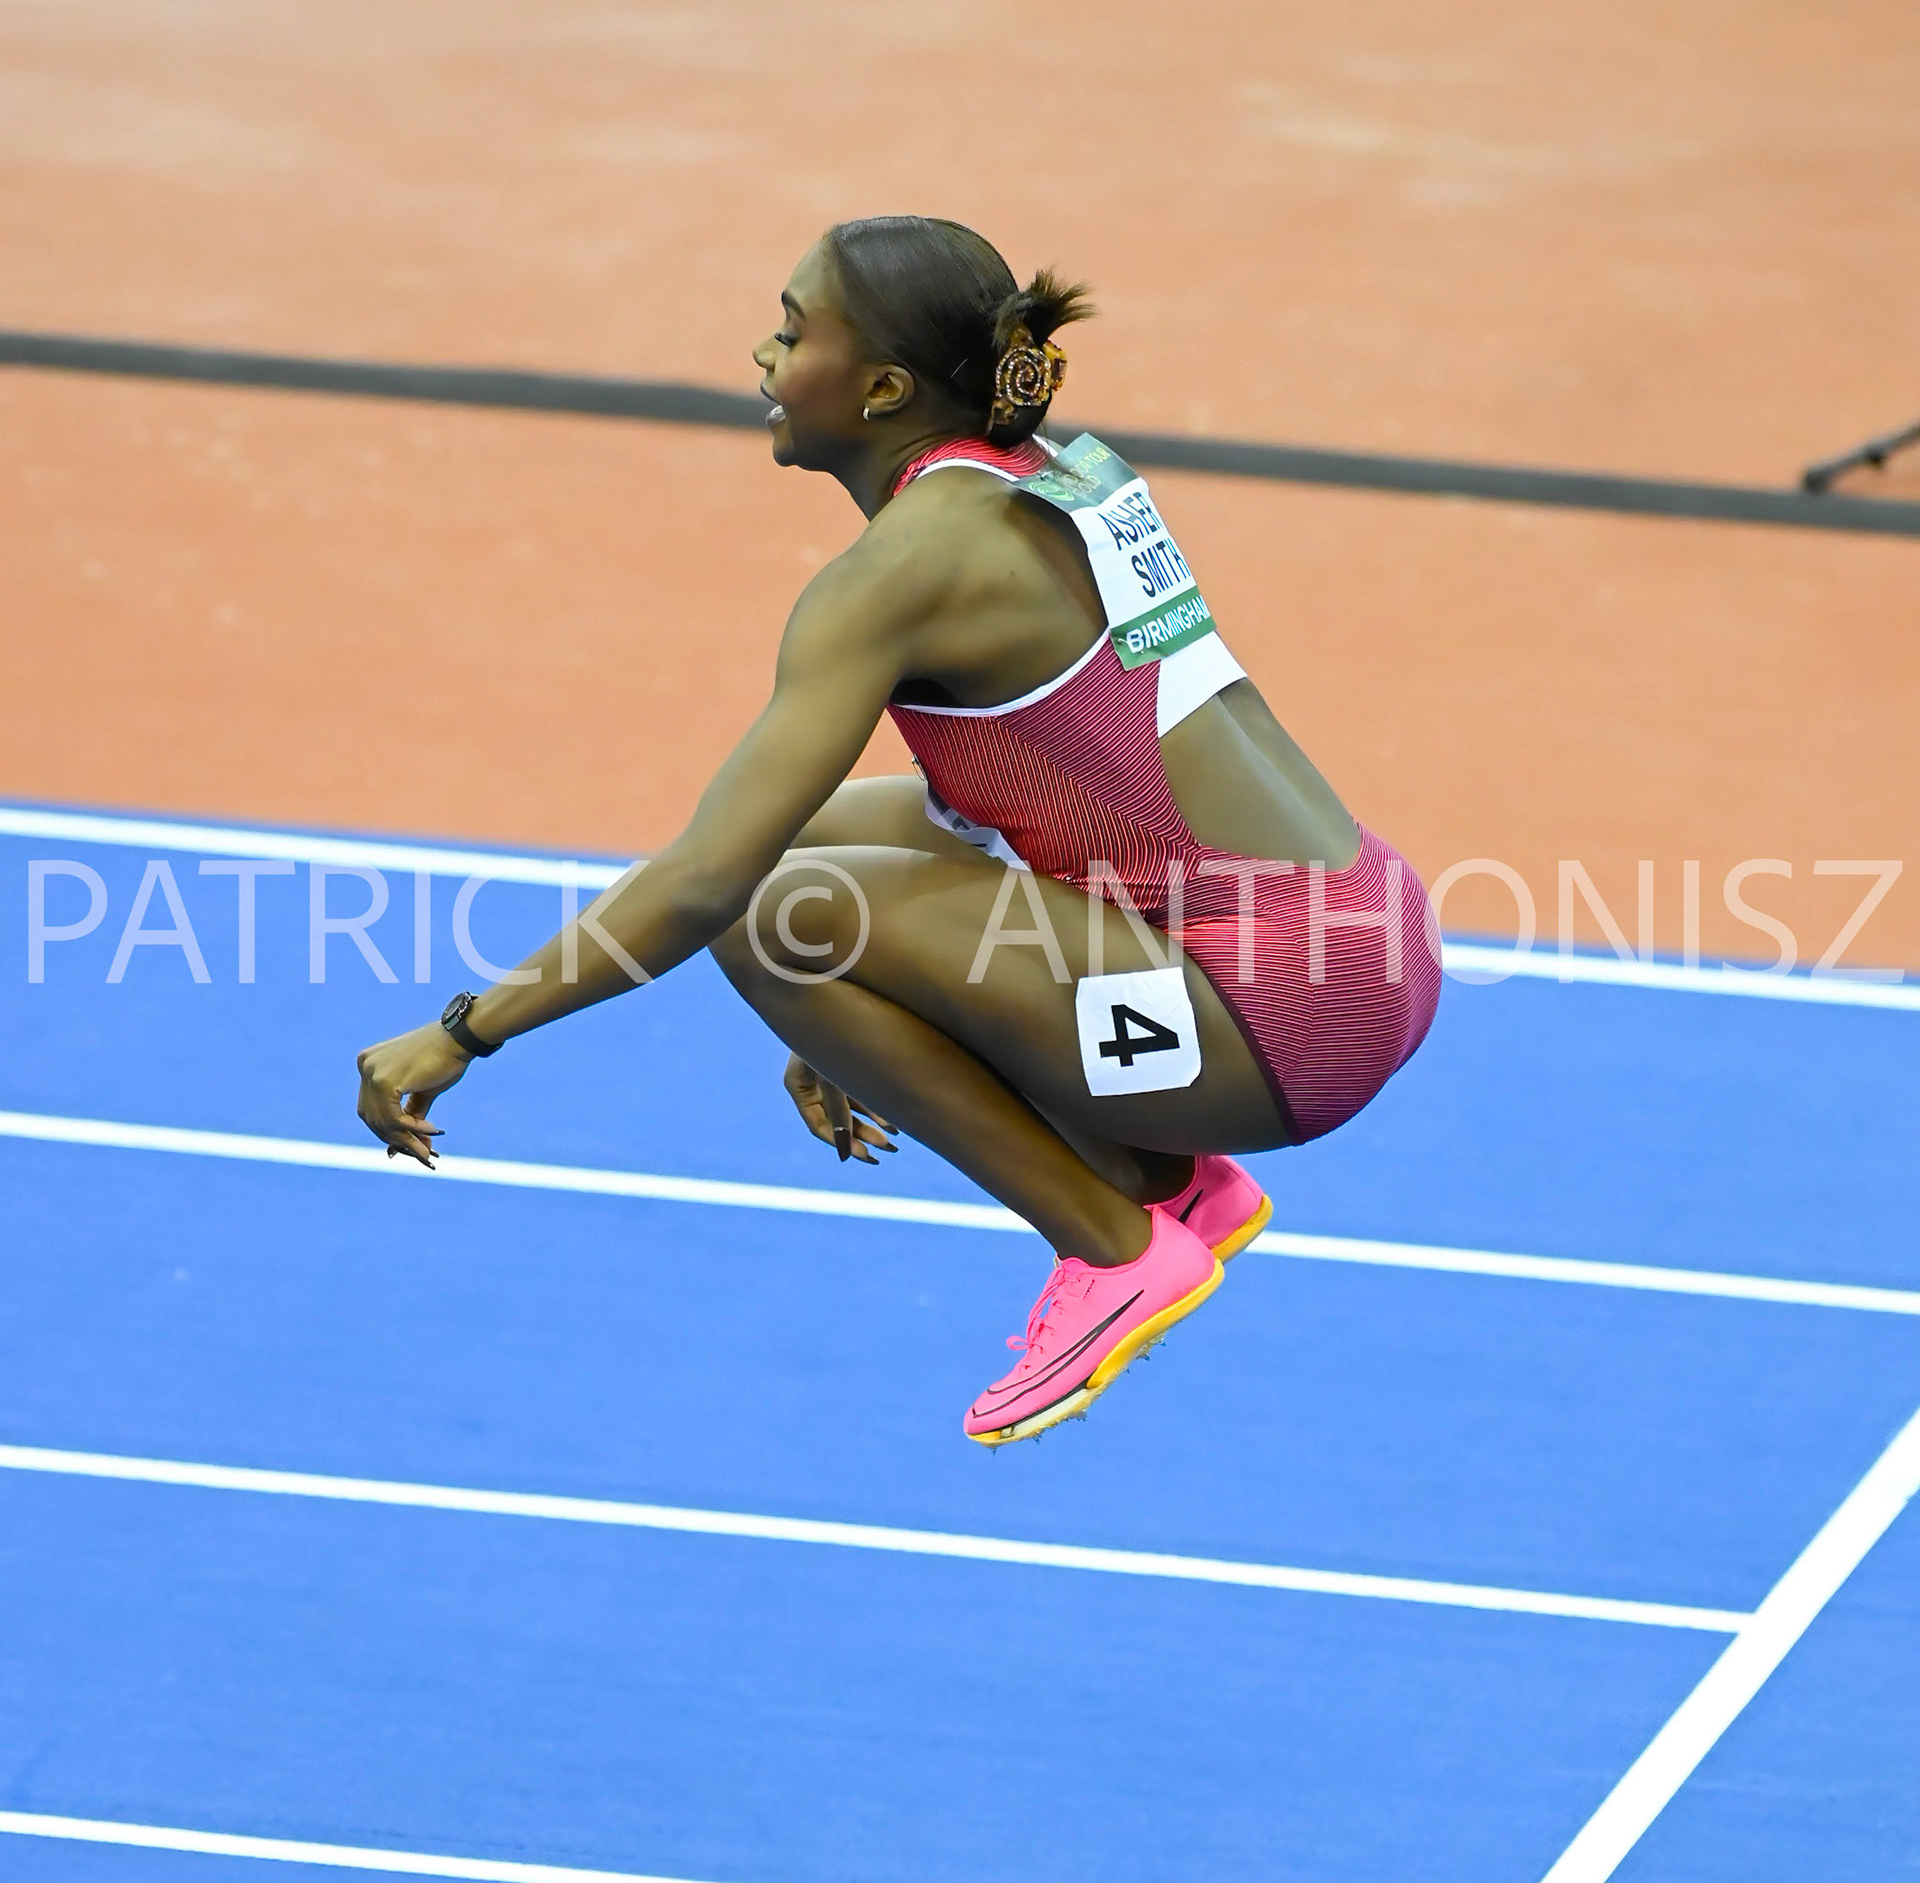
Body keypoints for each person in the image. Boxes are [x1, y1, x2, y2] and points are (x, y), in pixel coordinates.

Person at [355, 215, 1441, 1447]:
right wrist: (869, 1024)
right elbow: (1026, 774)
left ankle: (1116, 1245)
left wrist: (466, 1028)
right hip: (1369, 928)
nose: (763, 356)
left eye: (791, 331)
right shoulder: (1062, 471)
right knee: (803, 853)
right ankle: (1174, 1182)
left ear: (881, 389)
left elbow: (709, 882)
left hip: (1275, 1018)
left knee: (773, 915)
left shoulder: (898, 574)